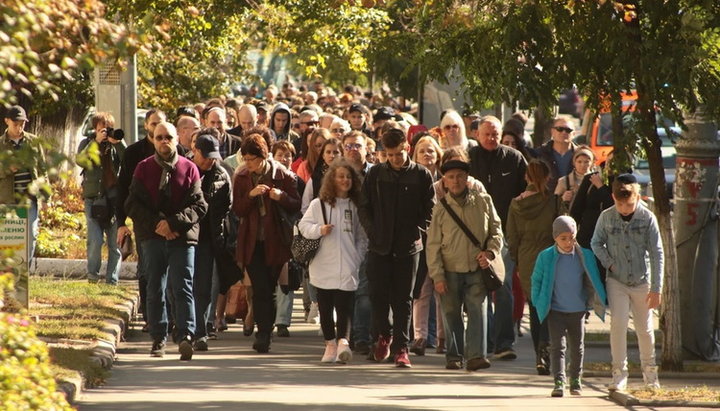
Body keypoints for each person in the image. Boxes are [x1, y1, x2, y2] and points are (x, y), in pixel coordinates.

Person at [125, 122, 208, 360]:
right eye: (159, 137)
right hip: (152, 237)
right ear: (152, 140)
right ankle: (158, 338)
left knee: (183, 287)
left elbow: (199, 205)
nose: (164, 141)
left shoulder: (189, 168)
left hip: (182, 238)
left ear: (176, 140)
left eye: (168, 137)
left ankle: (185, 336)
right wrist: (157, 226)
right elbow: (132, 204)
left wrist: (173, 224)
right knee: (155, 288)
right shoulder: (143, 169)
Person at [358, 128, 435, 368]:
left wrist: (417, 231)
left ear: (407, 149)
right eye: (389, 155)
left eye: (398, 154)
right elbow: (364, 207)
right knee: (377, 295)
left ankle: (402, 348)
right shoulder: (376, 174)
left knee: (403, 299)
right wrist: (373, 231)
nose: (393, 159)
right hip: (379, 245)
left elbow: (430, 210)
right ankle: (384, 334)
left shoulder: (421, 175)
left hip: (408, 247)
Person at [426, 159, 503, 371]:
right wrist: (437, 275)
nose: (456, 180)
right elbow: (432, 245)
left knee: (478, 311)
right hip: (450, 270)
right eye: (451, 177)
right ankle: (454, 356)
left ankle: (476, 356)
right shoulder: (440, 208)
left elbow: (496, 231)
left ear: (467, 178)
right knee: (451, 314)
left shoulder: (483, 201)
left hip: (478, 268)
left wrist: (490, 252)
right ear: (445, 181)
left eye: (460, 175)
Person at [591, 174, 663, 391]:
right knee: (618, 325)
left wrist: (657, 288)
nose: (625, 209)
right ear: (613, 197)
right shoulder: (606, 217)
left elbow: (657, 252)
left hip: (642, 280)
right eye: (620, 204)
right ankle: (619, 374)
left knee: (645, 328)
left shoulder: (647, 217)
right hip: (617, 280)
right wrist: (610, 264)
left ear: (638, 197)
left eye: (630, 204)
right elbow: (596, 243)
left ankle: (650, 374)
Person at [232, 134, 301, 353]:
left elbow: (296, 205)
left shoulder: (283, 175)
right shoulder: (242, 177)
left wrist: (281, 197)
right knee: (260, 288)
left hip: (276, 240)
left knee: (269, 289)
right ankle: (263, 334)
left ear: (263, 157)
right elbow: (237, 210)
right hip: (251, 241)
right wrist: (251, 196)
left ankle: (266, 331)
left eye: (252, 159)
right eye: (245, 159)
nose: (248, 163)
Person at [468, 115, 526, 360]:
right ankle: (484, 340)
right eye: (486, 134)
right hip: (473, 235)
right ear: (477, 135)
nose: (491, 139)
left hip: (504, 234)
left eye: (495, 134)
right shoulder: (468, 159)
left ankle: (504, 342)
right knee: (478, 288)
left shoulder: (514, 159)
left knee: (502, 287)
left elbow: (526, 193)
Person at [299, 158, 368, 363]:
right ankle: (330, 344)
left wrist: (356, 258)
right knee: (326, 307)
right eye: (340, 177)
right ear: (332, 180)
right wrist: (319, 230)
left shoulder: (355, 206)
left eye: (348, 177)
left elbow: (361, 237)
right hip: (323, 264)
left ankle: (343, 343)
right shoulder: (318, 204)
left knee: (345, 306)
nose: (345, 180)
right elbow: (303, 226)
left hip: (347, 264)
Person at [531, 216, 607, 397]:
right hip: (556, 310)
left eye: (571, 237)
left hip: (578, 309)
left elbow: (593, 279)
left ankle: (575, 380)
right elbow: (537, 280)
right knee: (557, 347)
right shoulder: (546, 256)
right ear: (555, 237)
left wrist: (593, 301)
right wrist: (537, 300)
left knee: (577, 347)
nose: (568, 242)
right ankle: (559, 381)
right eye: (563, 238)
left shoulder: (584, 255)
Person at [506, 159, 560, 375]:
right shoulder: (553, 201)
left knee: (535, 305)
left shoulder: (516, 204)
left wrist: (517, 260)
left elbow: (512, 236)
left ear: (526, 177)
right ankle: (545, 350)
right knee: (548, 306)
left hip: (527, 258)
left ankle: (540, 353)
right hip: (550, 255)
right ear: (547, 177)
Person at [190, 132, 233, 351]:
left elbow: (226, 209)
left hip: (208, 240)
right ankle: (183, 327)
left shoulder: (221, 175)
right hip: (184, 237)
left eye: (213, 156)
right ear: (194, 151)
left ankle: (200, 332)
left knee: (204, 287)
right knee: (181, 285)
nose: (210, 160)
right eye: (205, 156)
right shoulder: (184, 170)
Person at [78, 112, 123, 285]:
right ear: (95, 130)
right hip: (93, 199)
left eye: (108, 129)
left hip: (114, 200)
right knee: (95, 241)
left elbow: (128, 160)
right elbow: (80, 161)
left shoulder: (116, 145)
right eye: (101, 129)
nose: (105, 133)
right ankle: (92, 277)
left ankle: (112, 281)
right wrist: (95, 143)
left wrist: (118, 143)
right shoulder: (87, 143)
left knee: (114, 243)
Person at [409, 135, 443, 356]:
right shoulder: (411, 178)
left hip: (443, 243)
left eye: (431, 150)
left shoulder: (446, 180)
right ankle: (420, 337)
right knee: (421, 291)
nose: (427, 154)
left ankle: (442, 337)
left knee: (442, 290)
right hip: (419, 241)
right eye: (422, 151)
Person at [1, 105, 47, 263]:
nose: (19, 127)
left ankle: (24, 273)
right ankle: (11, 278)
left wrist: (46, 196)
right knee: (10, 241)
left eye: (22, 124)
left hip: (30, 198)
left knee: (31, 236)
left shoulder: (33, 142)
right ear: (7, 121)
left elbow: (43, 170)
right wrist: (7, 169)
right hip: (8, 200)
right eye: (16, 124)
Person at [536, 117, 579, 192]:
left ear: (574, 134)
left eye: (568, 130)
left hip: (573, 199)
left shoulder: (580, 154)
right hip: (546, 199)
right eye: (560, 129)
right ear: (552, 131)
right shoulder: (540, 153)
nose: (564, 132)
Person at [555, 146, 594, 210]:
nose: (583, 165)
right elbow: (553, 203)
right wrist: (562, 199)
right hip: (571, 217)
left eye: (586, 162)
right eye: (579, 162)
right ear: (574, 163)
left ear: (592, 163)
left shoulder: (598, 180)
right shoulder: (564, 181)